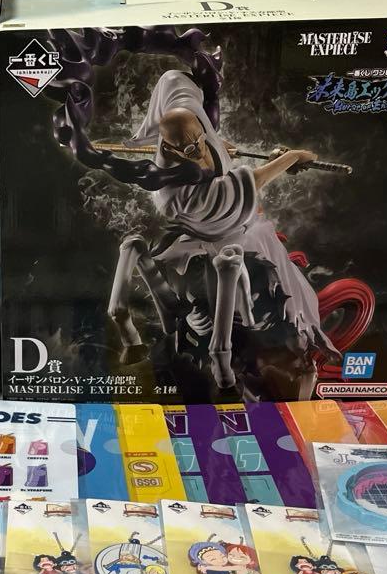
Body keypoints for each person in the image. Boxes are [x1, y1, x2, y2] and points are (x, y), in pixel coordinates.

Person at [108, 68, 340, 389]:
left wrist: (220, 146)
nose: (199, 152)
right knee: (274, 259)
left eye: (201, 140)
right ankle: (288, 333)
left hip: (213, 230)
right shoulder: (174, 193)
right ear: (169, 149)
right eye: (190, 150)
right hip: (222, 234)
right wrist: (292, 157)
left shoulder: (193, 138)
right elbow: (252, 181)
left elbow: (207, 146)